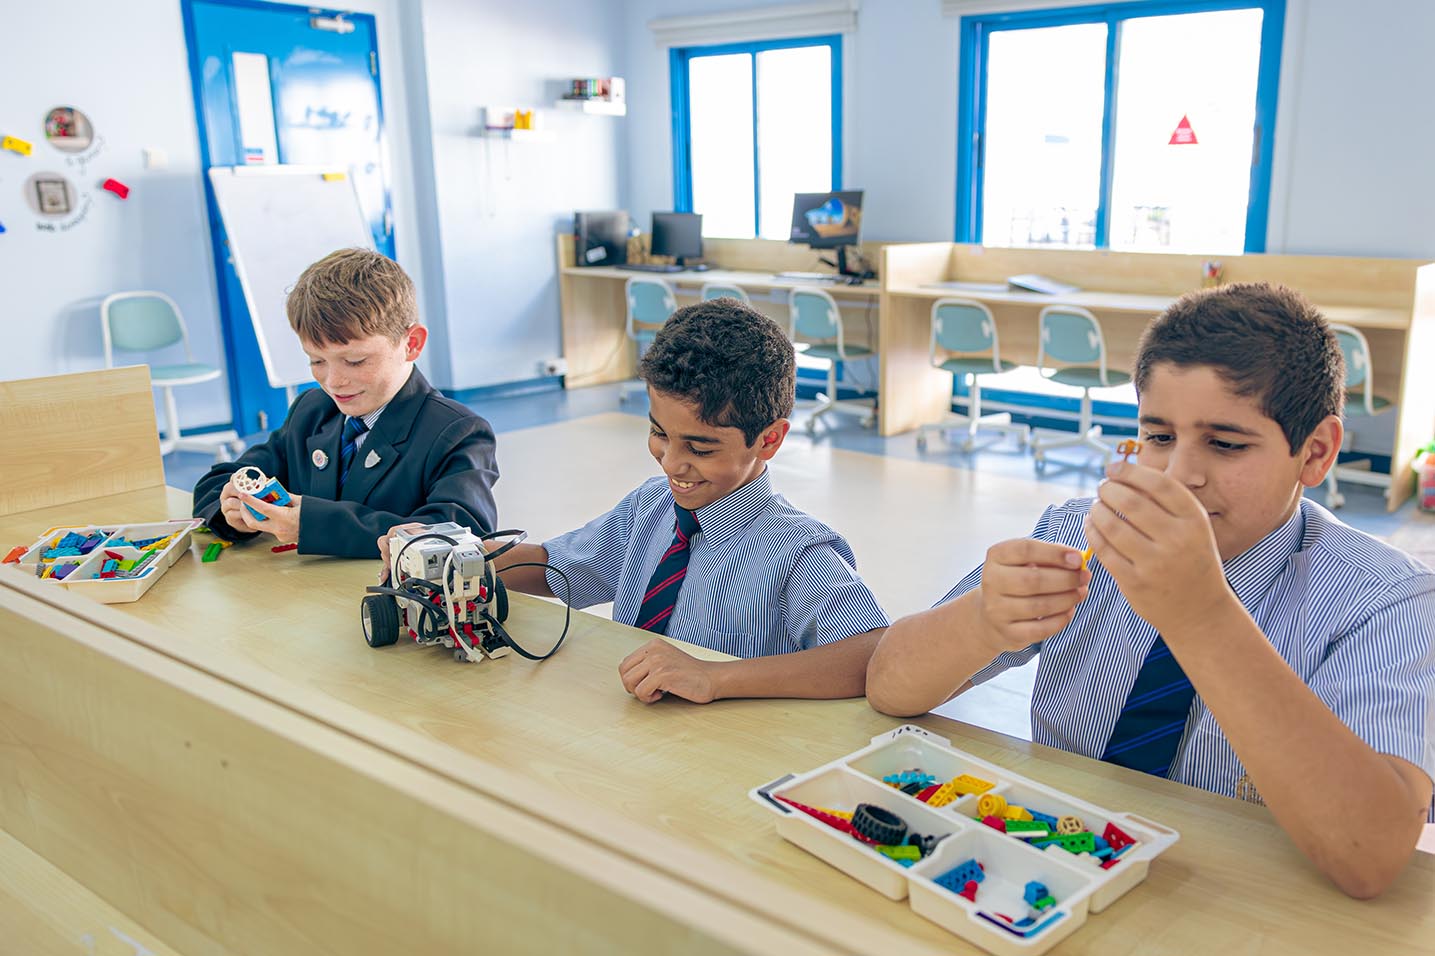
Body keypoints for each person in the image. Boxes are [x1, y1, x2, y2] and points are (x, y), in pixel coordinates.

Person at [866, 282, 1434, 898]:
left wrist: (1202, 613)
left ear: (1315, 453)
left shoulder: (1385, 599)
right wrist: (980, 620)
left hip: (1233, 902)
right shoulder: (1080, 532)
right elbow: (889, 686)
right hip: (1057, 877)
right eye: (1159, 437)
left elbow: (1371, 855)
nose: (1179, 475)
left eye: (1225, 444)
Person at [384, 297, 889, 704]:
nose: (670, 462)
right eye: (658, 433)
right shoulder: (650, 508)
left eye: (700, 447)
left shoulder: (798, 550)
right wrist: (451, 558)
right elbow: (555, 566)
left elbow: (867, 655)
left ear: (770, 439)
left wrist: (716, 678)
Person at [194, 248, 498, 558]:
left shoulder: (457, 432)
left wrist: (311, 525)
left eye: (355, 360)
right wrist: (233, 512)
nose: (333, 381)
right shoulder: (313, 410)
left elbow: (461, 535)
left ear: (412, 344)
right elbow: (217, 482)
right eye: (316, 360)